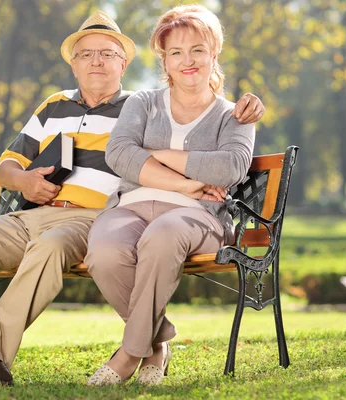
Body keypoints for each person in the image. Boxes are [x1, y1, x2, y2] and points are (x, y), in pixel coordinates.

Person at [0, 9, 263, 386]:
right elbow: (8, 164)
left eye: (107, 53)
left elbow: (198, 128)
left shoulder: (138, 105)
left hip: (90, 218)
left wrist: (246, 104)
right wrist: (24, 183)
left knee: (51, 247)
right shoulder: (54, 105)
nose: (96, 61)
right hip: (35, 213)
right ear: (73, 65)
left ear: (124, 64)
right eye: (86, 54)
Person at [84, 5, 256, 386]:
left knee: (162, 235)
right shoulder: (142, 103)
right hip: (132, 206)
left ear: (214, 52)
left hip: (199, 216)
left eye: (197, 49)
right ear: (165, 60)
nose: (187, 60)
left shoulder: (234, 116)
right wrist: (187, 182)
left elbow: (231, 167)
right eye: (175, 52)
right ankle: (157, 344)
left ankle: (129, 354)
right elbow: (118, 154)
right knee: (104, 251)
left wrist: (158, 155)